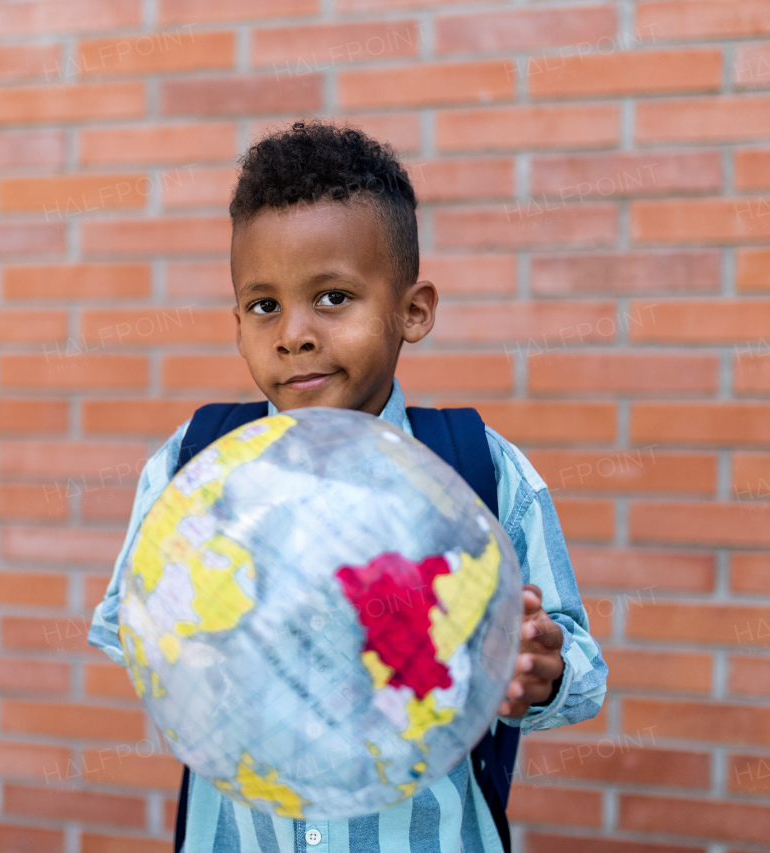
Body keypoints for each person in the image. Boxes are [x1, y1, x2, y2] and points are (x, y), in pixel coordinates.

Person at [87, 119, 608, 852]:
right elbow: (139, 636)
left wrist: (543, 673)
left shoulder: (479, 471)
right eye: (264, 305)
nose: (293, 332)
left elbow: (581, 670)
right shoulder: (194, 470)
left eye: (332, 297)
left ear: (413, 309)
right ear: (236, 320)